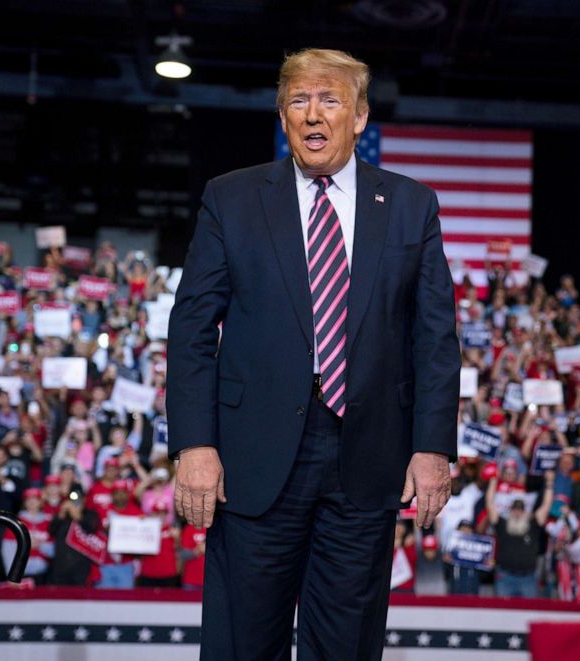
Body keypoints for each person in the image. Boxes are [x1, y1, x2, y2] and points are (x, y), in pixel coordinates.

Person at [166, 47, 460, 660]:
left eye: (330, 99)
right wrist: (195, 444)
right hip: (252, 462)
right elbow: (192, 327)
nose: (313, 113)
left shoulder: (411, 205)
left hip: (367, 460)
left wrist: (432, 448)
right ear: (283, 116)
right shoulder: (232, 198)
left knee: (346, 649)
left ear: (359, 117)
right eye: (299, 100)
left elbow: (434, 338)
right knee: (241, 646)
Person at [484, 470, 554, 597]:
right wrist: (493, 481)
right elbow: (490, 505)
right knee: (500, 614)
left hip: (528, 578)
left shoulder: (533, 524)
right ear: (510, 510)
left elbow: (546, 506)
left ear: (525, 511)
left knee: (529, 613)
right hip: (505, 576)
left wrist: (549, 483)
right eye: (515, 509)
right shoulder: (503, 524)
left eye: (521, 509)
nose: (518, 512)